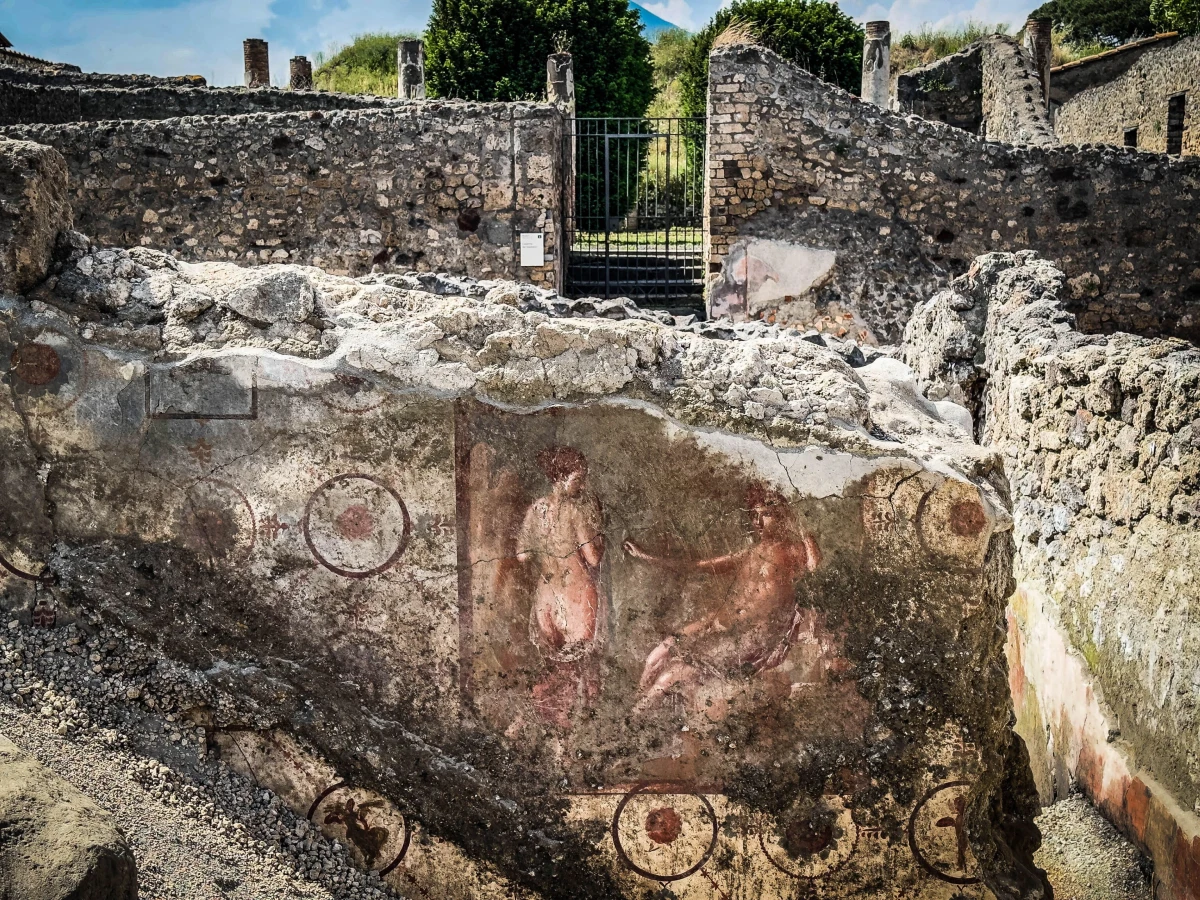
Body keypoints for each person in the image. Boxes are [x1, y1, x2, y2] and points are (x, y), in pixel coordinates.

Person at [624, 482, 820, 717]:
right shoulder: (750, 554)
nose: (757, 523)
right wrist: (645, 556)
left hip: (753, 638)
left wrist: (801, 528)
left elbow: (814, 566)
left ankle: (632, 722)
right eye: (754, 516)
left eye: (765, 515)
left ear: (782, 516)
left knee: (670, 676)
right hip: (719, 625)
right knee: (657, 655)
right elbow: (696, 567)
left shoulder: (793, 550)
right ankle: (633, 709)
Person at [514, 446, 606, 730]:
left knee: (558, 670)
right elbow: (593, 557)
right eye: (578, 479)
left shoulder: (534, 510)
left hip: (546, 600)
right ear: (561, 477)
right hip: (576, 599)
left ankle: (542, 728)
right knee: (576, 674)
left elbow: (522, 555)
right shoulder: (576, 511)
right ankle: (530, 721)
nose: (582, 485)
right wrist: (597, 528)